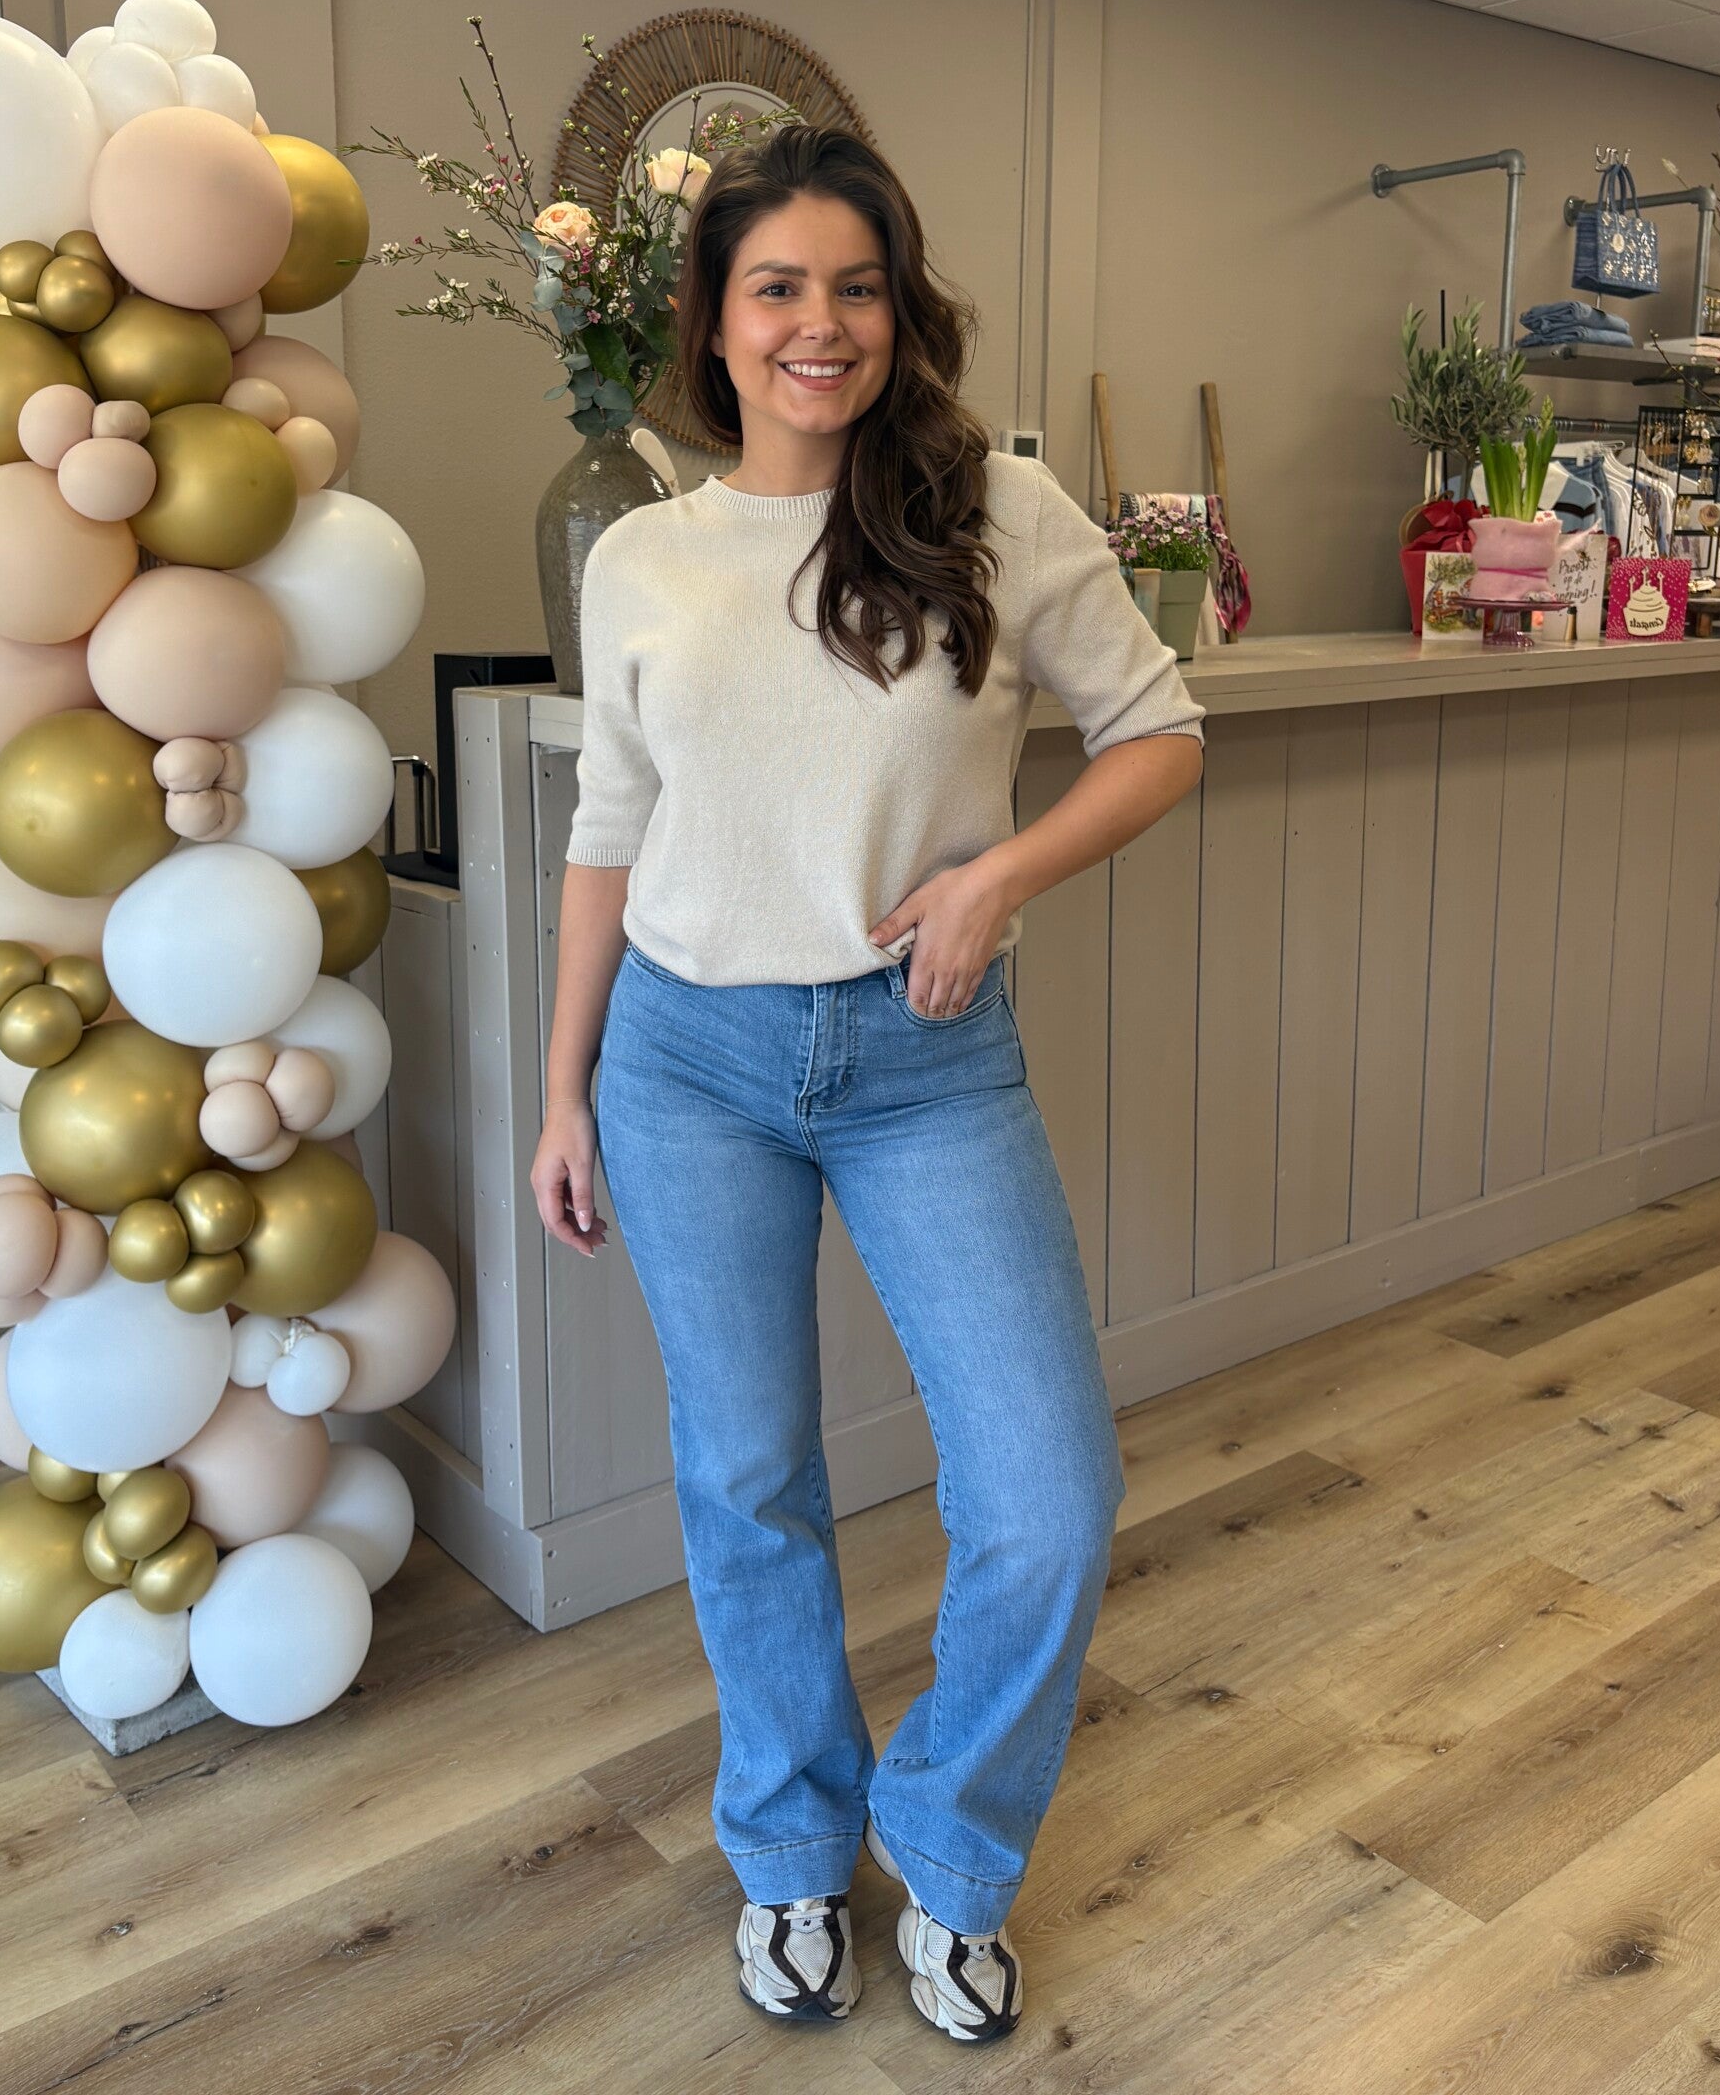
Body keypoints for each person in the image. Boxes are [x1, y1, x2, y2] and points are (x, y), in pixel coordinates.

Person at [530, 125, 1204, 2044]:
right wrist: (565, 1091)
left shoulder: (994, 510)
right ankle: (790, 1847)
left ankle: (954, 1848)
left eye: (856, 286)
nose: (818, 323)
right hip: (685, 1065)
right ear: (713, 321)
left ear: (899, 313)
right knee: (748, 1480)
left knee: (1049, 1491)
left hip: (925, 1058)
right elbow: (608, 831)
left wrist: (1000, 877)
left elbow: (1159, 731)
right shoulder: (647, 556)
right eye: (778, 287)